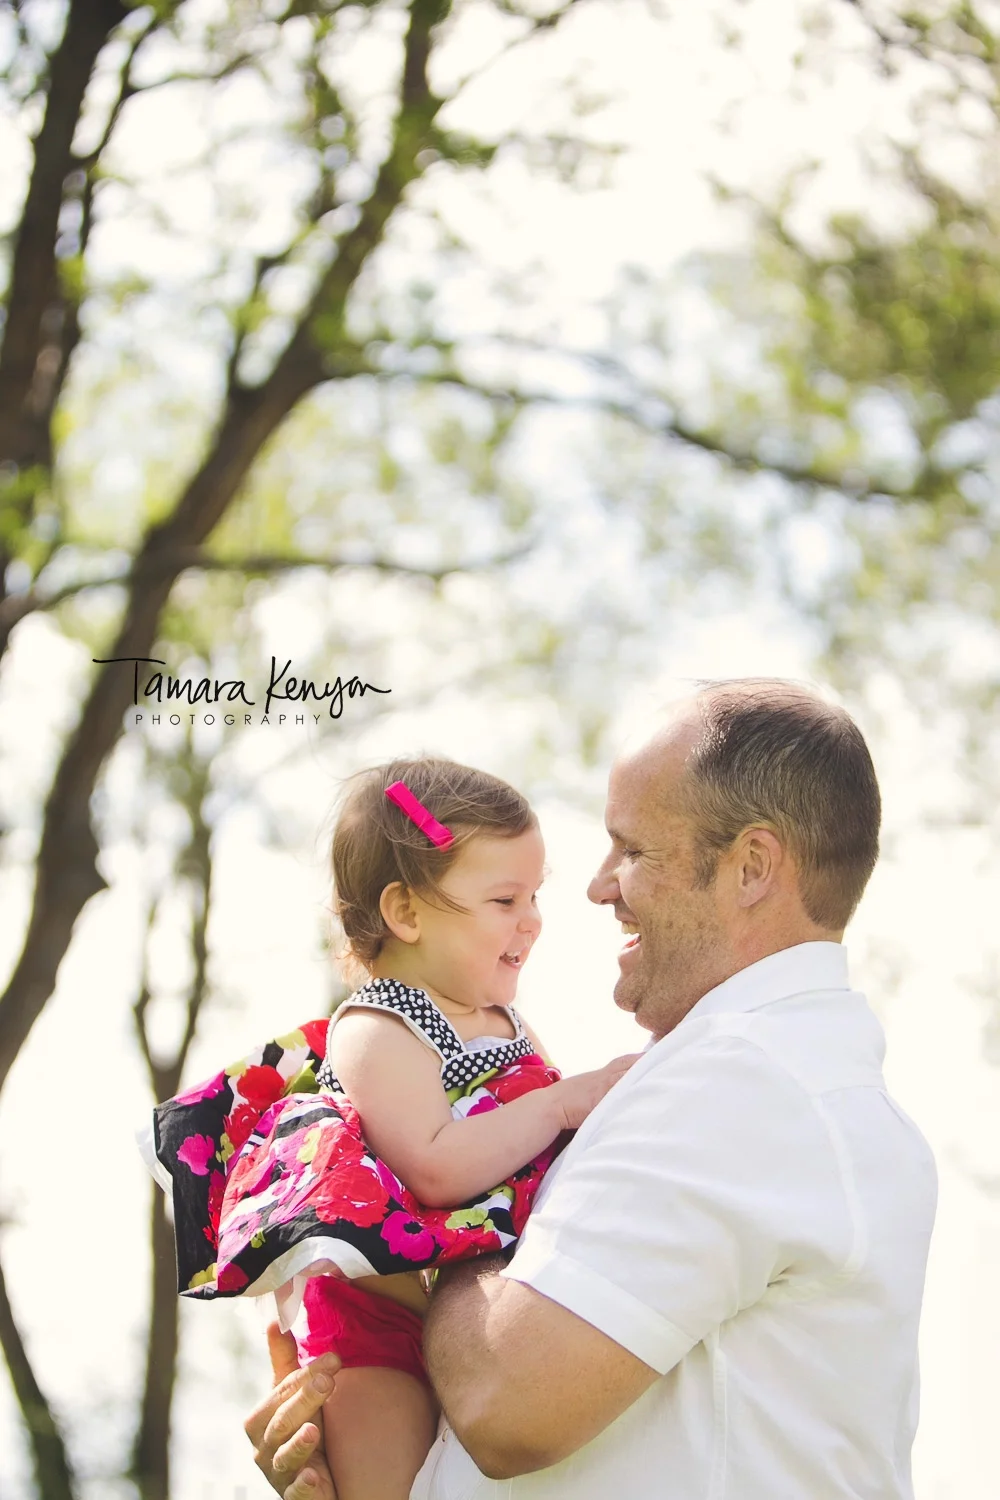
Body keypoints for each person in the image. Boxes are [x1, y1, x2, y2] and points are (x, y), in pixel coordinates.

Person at [247, 679, 938, 1500]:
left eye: (633, 851)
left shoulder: (741, 1081)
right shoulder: (764, 1078)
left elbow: (507, 1401)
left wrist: (420, 1224)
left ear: (752, 867)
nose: (599, 886)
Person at [149, 757, 637, 1500]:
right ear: (406, 913)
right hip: (369, 1322)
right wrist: (562, 1103)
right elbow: (436, 1167)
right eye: (504, 899)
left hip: (474, 1304)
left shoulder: (504, 1022)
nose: (533, 920)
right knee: (392, 1484)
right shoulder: (379, 1026)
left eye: (534, 895)